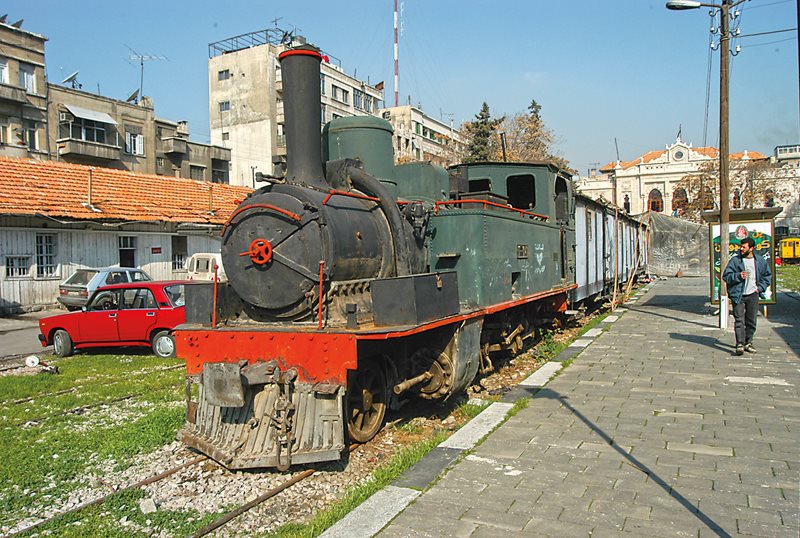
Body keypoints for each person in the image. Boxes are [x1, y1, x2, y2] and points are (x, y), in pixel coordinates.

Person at [722, 237, 772, 355]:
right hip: (738, 295)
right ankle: (739, 343)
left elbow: (767, 276)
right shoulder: (735, 261)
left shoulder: (760, 261)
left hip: (752, 295)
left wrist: (759, 288)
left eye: (744, 247)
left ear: (751, 248)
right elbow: (726, 276)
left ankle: (748, 342)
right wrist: (738, 276)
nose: (741, 249)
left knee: (751, 321)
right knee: (739, 320)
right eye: (741, 246)